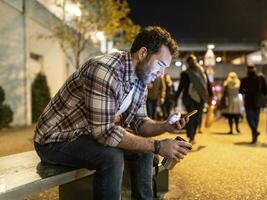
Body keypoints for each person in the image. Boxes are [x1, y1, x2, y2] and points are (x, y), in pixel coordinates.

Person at [33, 26, 192, 200]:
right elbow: (105, 133)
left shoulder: (140, 81)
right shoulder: (104, 70)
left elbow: (140, 124)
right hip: (55, 139)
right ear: (143, 53)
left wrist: (166, 126)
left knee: (144, 151)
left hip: (87, 135)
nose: (162, 73)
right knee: (111, 157)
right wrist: (159, 146)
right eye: (160, 64)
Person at [175, 54, 213, 143]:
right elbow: (181, 87)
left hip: (201, 98)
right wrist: (175, 98)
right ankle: (191, 136)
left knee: (198, 118)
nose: (193, 62)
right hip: (189, 98)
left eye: (194, 60)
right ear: (188, 63)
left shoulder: (202, 72)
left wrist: (210, 96)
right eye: (191, 61)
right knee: (191, 117)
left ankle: (192, 135)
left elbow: (208, 85)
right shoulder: (185, 73)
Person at [239, 65, 267, 144]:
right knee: (256, 119)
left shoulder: (245, 80)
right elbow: (266, 90)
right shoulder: (260, 79)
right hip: (257, 101)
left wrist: (247, 92)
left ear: (247, 70)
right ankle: (254, 136)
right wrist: (260, 94)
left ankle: (254, 132)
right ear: (255, 70)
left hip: (248, 101)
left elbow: (241, 91)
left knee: (250, 118)